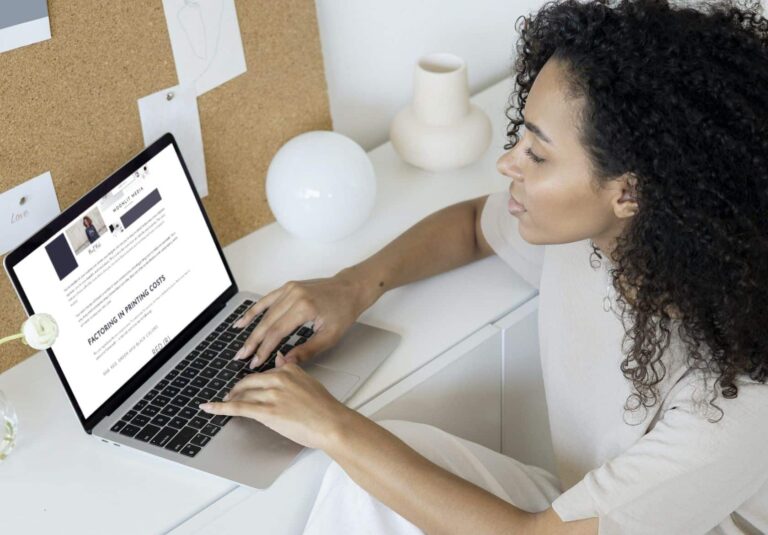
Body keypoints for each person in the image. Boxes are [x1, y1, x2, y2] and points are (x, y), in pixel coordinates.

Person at [201, 0, 768, 532]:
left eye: (537, 155)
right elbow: (473, 225)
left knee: (354, 447)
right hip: (583, 512)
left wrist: (331, 425)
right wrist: (353, 287)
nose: (506, 163)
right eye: (522, 137)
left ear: (629, 193)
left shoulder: (737, 395)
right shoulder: (598, 234)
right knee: (368, 475)